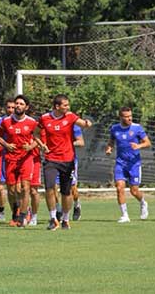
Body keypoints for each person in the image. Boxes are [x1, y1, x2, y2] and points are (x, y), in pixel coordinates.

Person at [36, 94, 92, 230]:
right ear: (57, 106)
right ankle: (53, 218)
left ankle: (66, 219)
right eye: (65, 105)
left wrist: (87, 123)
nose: (68, 107)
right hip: (51, 159)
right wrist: (41, 145)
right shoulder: (44, 118)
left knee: (66, 192)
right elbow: (36, 133)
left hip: (67, 160)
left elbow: (83, 124)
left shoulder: (70, 116)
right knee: (49, 188)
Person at [0, 95, 38, 227]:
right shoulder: (6, 122)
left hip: (26, 158)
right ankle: (15, 212)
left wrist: (31, 146)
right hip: (11, 158)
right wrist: (6, 145)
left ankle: (22, 216)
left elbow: (39, 138)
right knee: (12, 190)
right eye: (17, 103)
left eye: (21, 104)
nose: (18, 106)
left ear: (26, 107)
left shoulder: (32, 122)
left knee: (25, 188)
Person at [105, 106, 150, 224]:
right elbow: (111, 141)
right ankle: (124, 215)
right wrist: (109, 148)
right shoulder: (115, 128)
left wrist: (138, 146)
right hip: (120, 163)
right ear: (120, 117)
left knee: (134, 191)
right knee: (119, 188)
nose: (129, 118)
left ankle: (143, 202)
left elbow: (147, 142)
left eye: (130, 116)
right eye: (126, 117)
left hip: (134, 164)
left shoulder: (137, 128)